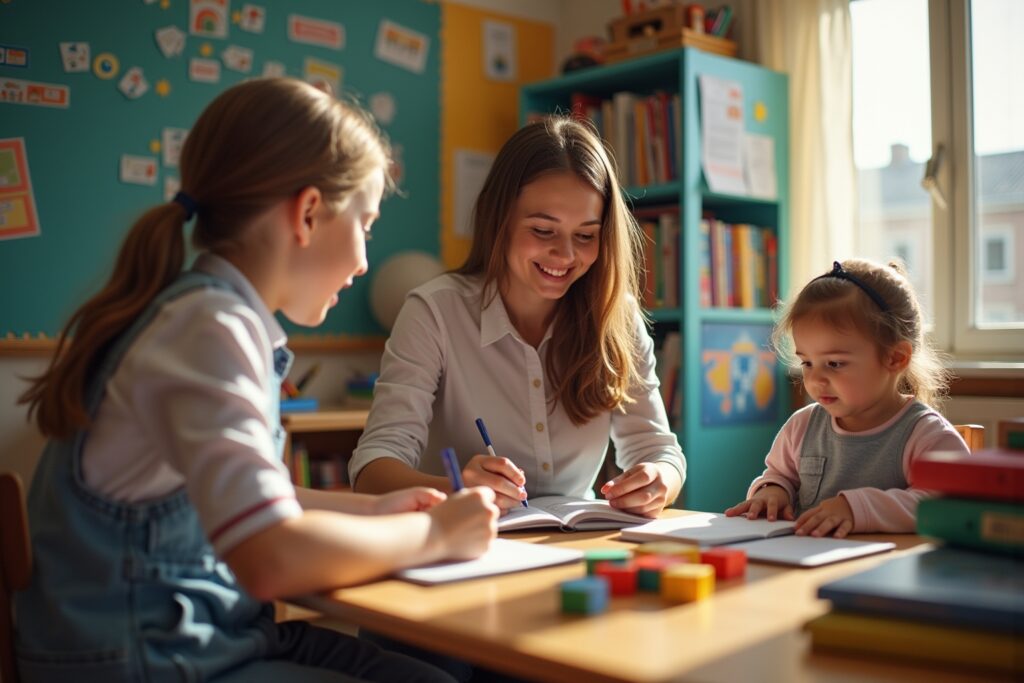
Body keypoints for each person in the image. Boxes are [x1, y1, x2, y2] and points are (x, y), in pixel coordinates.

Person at [15, 78, 498, 683]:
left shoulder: (203, 316)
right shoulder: (210, 328)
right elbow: (269, 557)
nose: (364, 261)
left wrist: (375, 511)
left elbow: (252, 505)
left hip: (192, 638)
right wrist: (432, 534)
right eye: (366, 227)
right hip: (141, 658)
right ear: (309, 212)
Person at [349, 116, 685, 517]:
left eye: (585, 236)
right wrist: (458, 489)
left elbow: (659, 449)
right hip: (461, 541)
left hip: (575, 546)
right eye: (543, 231)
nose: (565, 256)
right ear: (500, 220)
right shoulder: (433, 312)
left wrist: (660, 478)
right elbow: (372, 468)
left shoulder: (616, 315)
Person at [725, 259, 969, 537]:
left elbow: (946, 505)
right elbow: (779, 475)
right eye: (807, 363)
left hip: (887, 573)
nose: (816, 379)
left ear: (895, 358)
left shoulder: (926, 434)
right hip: (806, 567)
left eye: (835, 364)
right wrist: (773, 491)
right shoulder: (802, 426)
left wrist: (856, 509)